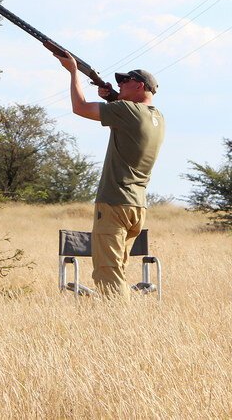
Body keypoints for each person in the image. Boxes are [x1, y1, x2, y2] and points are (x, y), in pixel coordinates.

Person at [56, 51, 165, 299]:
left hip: (115, 202)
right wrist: (111, 99)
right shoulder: (157, 117)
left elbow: (80, 108)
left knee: (108, 273)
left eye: (125, 81)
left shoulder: (127, 111)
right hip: (137, 206)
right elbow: (130, 116)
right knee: (119, 270)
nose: (119, 84)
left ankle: (117, 325)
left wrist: (73, 71)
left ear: (139, 86)